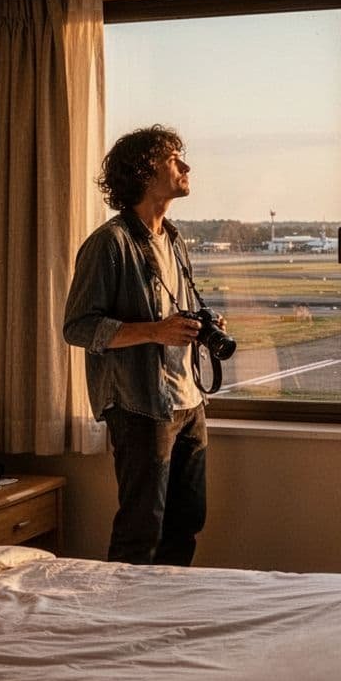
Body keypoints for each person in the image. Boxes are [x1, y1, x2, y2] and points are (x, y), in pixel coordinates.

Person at [63, 124, 212, 565]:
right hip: (140, 405)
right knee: (141, 529)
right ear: (147, 172)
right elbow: (77, 327)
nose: (185, 167)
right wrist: (156, 331)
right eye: (174, 159)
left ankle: (165, 615)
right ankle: (120, 620)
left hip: (188, 401)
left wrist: (198, 324)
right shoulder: (109, 244)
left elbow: (170, 313)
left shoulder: (174, 238)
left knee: (186, 523)